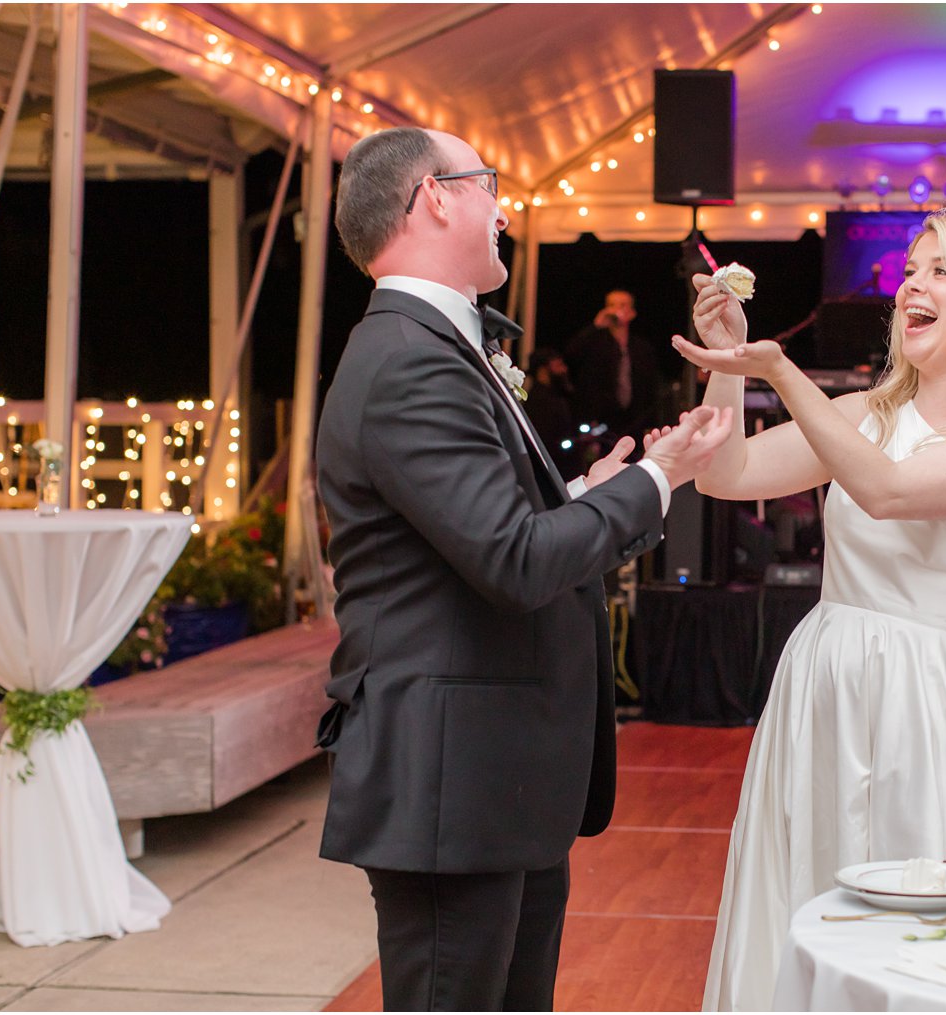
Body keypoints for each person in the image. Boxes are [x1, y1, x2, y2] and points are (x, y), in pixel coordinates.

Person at [312, 126, 732, 1012]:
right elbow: (513, 559)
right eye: (487, 184)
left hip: (495, 781)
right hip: (449, 781)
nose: (502, 209)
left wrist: (590, 490)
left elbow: (480, 530)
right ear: (435, 196)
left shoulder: (439, 346)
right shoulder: (409, 359)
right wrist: (660, 481)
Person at [673, 206, 946, 1011]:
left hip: (929, 700)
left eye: (939, 270)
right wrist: (728, 363)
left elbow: (889, 492)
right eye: (911, 270)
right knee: (807, 889)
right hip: (825, 683)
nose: (911, 286)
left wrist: (783, 372)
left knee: (925, 915)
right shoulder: (864, 414)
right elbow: (725, 473)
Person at [564, 289, 663, 442]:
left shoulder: (641, 347)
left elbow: (651, 385)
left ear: (632, 312)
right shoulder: (594, 342)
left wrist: (651, 423)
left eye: (622, 305)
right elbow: (571, 355)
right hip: (599, 420)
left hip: (634, 420)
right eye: (612, 305)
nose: (617, 309)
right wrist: (596, 326)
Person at [523, 347, 581, 482]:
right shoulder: (539, 401)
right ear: (543, 370)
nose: (564, 370)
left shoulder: (558, 396)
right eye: (558, 365)